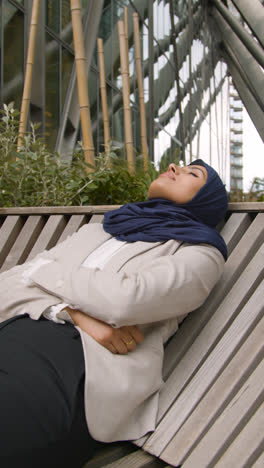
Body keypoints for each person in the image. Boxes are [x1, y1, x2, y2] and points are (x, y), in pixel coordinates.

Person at [0, 159, 228, 468]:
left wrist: (42, 271)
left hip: (79, 369)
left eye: (192, 173)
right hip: (19, 332)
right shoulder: (99, 230)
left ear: (206, 201)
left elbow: (124, 301)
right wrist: (73, 313)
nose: (175, 167)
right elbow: (6, 283)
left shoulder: (199, 254)